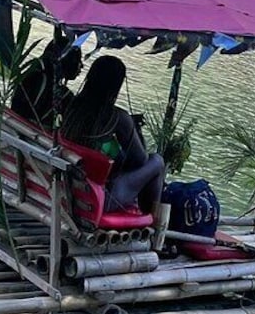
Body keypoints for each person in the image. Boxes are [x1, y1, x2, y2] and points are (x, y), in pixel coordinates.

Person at [61, 55, 165, 214]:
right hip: (97, 200)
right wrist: (135, 129)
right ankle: (150, 222)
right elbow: (140, 161)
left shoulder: (72, 106)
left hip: (66, 190)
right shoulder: (117, 118)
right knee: (157, 161)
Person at [11, 35, 83, 128]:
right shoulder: (59, 93)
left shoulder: (32, 74)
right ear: (67, 60)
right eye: (77, 59)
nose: (81, 65)